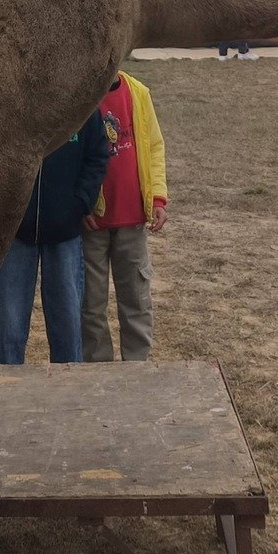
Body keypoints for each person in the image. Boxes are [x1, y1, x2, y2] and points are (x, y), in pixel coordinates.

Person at [0, 113, 109, 364]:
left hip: (65, 234)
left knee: (67, 328)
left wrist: (80, 203)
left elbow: (97, 154)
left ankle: (67, 386)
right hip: (14, 231)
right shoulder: (11, 101)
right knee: (8, 328)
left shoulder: (81, 103)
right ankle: (4, 386)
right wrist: (3, 205)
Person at [81, 71, 168, 362]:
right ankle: (97, 366)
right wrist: (81, 203)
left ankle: (137, 365)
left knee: (136, 300)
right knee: (90, 303)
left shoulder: (138, 93)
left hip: (132, 219)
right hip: (92, 223)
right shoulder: (82, 96)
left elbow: (154, 147)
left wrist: (157, 197)